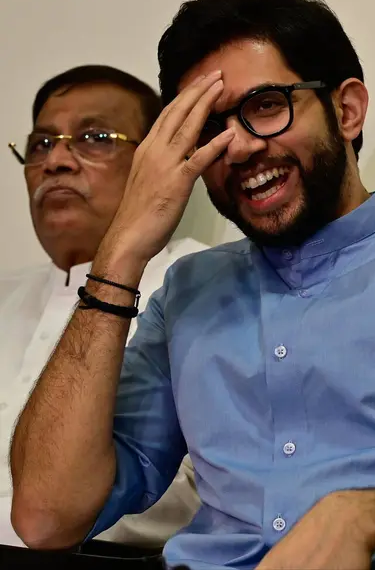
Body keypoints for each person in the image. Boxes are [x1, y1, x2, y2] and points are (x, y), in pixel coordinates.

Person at [10, 0, 375, 570]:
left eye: (266, 106)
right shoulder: (186, 292)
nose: (235, 148)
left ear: (347, 109)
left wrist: (366, 516)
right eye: (210, 125)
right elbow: (46, 518)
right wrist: (120, 254)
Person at [1, 65, 204, 549]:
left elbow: (202, 490)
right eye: (42, 144)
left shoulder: (201, 282)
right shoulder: (6, 295)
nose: (56, 162)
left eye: (94, 137)